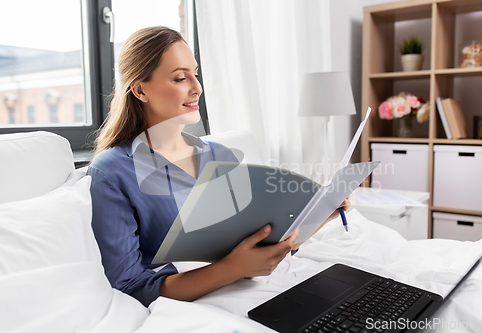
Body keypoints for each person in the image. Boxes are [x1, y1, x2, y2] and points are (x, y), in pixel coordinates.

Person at [88, 26, 350, 307]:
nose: (197, 87)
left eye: (196, 74)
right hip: (194, 304)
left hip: (257, 290)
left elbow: (258, 242)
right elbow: (128, 285)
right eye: (180, 78)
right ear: (140, 90)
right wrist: (233, 269)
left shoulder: (220, 156)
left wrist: (318, 215)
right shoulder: (112, 171)